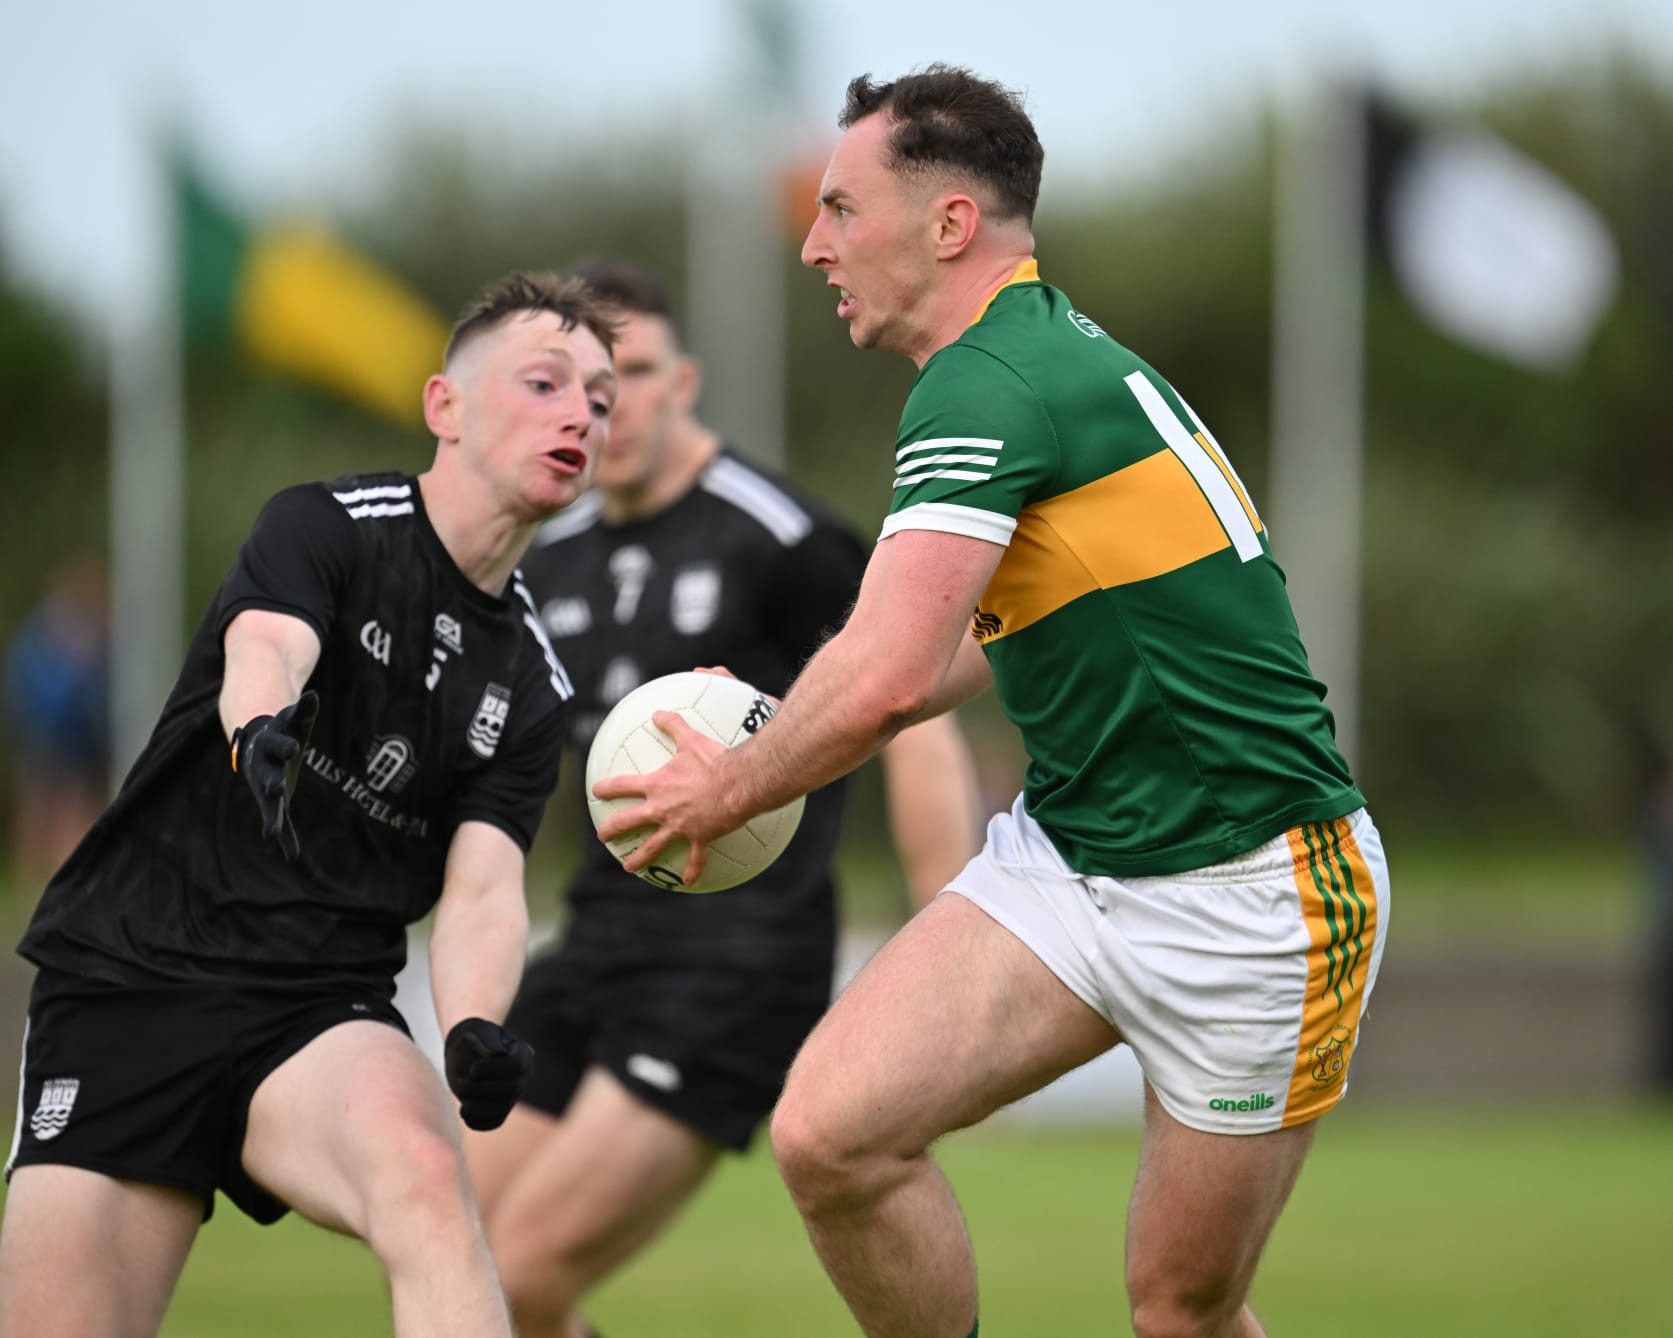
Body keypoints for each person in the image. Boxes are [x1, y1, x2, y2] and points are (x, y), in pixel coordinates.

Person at [595, 66, 1391, 1338]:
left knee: (1181, 1311)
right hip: (1074, 856)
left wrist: (726, 785)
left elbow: (890, 675)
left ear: (949, 223)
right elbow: (958, 641)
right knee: (829, 1136)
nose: (813, 245)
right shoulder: (1034, 356)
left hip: (1255, 886)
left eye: (842, 209)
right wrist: (794, 707)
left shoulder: (989, 381)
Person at [0, 270, 620, 1338]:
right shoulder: (327, 524)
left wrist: (474, 1026)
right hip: (129, 980)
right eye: (545, 382)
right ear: (445, 407)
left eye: (601, 400)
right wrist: (260, 726)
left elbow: (482, 887)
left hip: (316, 1012)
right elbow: (267, 644)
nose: (580, 414)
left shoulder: (530, 682)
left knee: (426, 1173)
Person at [464, 259, 982, 1338]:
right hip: (595, 943)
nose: (607, 412)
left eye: (635, 377)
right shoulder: (550, 560)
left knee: (519, 1273)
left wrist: (951, 938)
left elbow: (913, 708)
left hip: (736, 966)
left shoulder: (779, 537)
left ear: (686, 381)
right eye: (577, 388)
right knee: (446, 1253)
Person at [4, 552, 110, 894]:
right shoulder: (48, 637)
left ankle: (57, 884)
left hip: (66, 742)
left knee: (66, 809)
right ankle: (44, 885)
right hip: (51, 739)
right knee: (48, 811)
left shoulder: (55, 634)